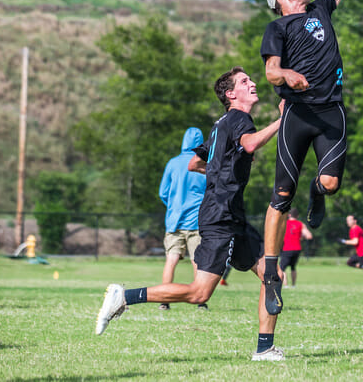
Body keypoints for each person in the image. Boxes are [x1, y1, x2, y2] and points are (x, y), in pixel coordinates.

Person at [95, 67, 287, 361]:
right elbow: (250, 144)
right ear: (230, 94)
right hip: (220, 216)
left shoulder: (221, 124)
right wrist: (282, 120)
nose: (253, 83)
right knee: (199, 293)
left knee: (271, 275)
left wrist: (220, 172)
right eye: (245, 81)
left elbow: (195, 163)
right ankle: (124, 297)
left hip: (230, 215)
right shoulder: (238, 118)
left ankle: (265, 348)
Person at [259, 0, 357, 315]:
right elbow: (269, 71)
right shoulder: (278, 28)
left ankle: (318, 193)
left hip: (330, 111)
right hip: (298, 116)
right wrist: (288, 76)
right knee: (281, 195)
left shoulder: (319, 9)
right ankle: (269, 271)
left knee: (331, 184)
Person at [157, 127, 207, 310]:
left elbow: (163, 192)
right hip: (197, 221)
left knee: (171, 259)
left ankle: (164, 300)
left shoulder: (173, 163)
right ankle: (201, 301)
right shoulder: (203, 163)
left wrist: (173, 207)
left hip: (174, 221)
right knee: (198, 260)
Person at [280, 208, 313, 288]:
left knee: (282, 268)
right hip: (297, 249)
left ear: (289, 215)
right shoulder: (301, 224)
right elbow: (309, 236)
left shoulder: (284, 223)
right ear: (297, 216)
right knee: (293, 267)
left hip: (287, 248)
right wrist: (300, 237)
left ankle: (286, 285)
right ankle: (293, 285)